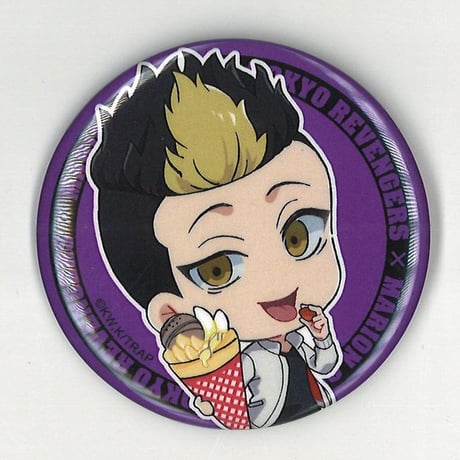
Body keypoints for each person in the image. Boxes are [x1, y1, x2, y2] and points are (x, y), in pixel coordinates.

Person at [89, 49, 344, 428]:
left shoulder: (297, 337)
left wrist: (322, 338)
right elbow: (227, 407)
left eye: (299, 235)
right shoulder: (243, 362)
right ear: (171, 312)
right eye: (219, 268)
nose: (276, 276)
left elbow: (327, 365)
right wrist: (213, 403)